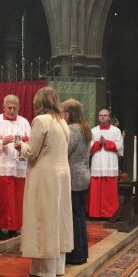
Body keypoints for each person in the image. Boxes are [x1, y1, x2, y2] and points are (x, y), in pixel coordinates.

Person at [15, 86, 73, 277]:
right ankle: (57, 267)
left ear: (39, 102)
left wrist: (20, 145)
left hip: (45, 176)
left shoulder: (41, 120)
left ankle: (44, 270)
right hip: (62, 175)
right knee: (58, 218)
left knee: (44, 218)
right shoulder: (62, 122)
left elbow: (31, 152)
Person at [0, 94, 31, 239]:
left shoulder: (24, 122)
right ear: (3, 107)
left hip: (19, 166)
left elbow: (31, 142)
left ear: (19, 108)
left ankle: (14, 227)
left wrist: (23, 143)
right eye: (9, 107)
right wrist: (2, 141)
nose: (12, 110)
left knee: (17, 199)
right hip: (1, 165)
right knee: (2, 198)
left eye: (15, 108)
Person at [60, 98, 92, 265]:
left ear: (69, 113)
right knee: (79, 215)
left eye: (62, 112)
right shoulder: (85, 128)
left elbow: (65, 151)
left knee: (73, 216)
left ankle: (76, 254)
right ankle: (82, 252)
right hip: (83, 174)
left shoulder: (73, 129)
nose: (61, 115)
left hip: (74, 176)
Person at [87, 108, 124, 218]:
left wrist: (106, 142)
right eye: (101, 115)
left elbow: (120, 146)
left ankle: (110, 213)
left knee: (109, 190)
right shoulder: (93, 131)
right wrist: (98, 143)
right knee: (96, 188)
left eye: (105, 115)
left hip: (110, 162)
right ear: (98, 117)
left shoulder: (116, 131)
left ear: (109, 117)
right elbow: (88, 147)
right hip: (97, 161)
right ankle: (95, 213)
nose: (103, 117)